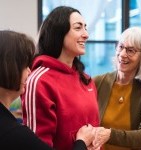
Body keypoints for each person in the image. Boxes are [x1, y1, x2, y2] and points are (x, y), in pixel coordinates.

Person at [0, 30, 97, 150]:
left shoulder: (86, 79)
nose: (29, 72)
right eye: (25, 66)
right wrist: (81, 142)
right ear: (9, 69)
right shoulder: (14, 133)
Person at [21, 6, 100, 150]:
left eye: (85, 28)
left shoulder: (87, 80)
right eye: (78, 28)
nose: (86, 34)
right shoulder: (39, 81)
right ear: (58, 33)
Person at [93, 26, 141, 150]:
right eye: (121, 47)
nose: (123, 54)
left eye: (131, 50)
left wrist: (110, 135)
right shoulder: (97, 82)